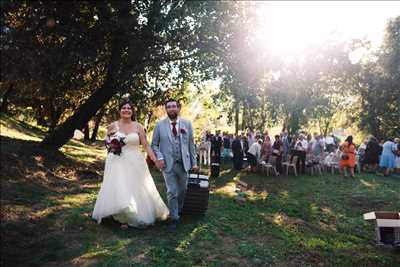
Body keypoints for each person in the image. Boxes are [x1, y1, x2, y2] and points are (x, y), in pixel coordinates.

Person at [92, 101, 169, 228]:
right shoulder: (112, 126)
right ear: (120, 110)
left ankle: (135, 213)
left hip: (135, 160)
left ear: (132, 112)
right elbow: (107, 142)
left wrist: (155, 159)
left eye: (129, 108)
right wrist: (112, 146)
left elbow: (146, 145)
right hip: (116, 160)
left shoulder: (138, 126)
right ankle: (121, 214)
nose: (126, 110)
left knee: (135, 186)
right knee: (119, 185)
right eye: (123, 108)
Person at [151, 99, 198, 230]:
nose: (171, 109)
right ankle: (174, 218)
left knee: (182, 190)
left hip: (184, 163)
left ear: (178, 108)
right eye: (169, 107)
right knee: (172, 191)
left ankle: (178, 209)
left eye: (174, 106)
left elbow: (191, 145)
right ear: (166, 109)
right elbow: (154, 144)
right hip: (167, 164)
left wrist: (194, 163)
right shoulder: (160, 125)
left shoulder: (187, 124)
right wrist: (159, 158)